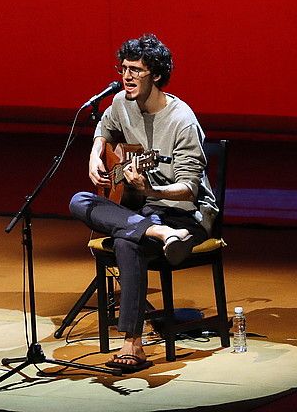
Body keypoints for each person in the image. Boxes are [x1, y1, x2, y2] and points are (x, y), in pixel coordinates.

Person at [70, 33, 217, 373]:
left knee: (125, 239)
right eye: (123, 68)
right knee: (78, 200)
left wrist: (151, 191)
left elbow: (190, 190)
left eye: (136, 70)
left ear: (157, 75)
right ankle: (157, 233)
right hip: (149, 214)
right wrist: (95, 154)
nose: (127, 76)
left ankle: (131, 344)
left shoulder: (182, 120)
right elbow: (104, 129)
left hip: (186, 216)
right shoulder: (121, 103)